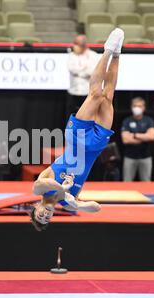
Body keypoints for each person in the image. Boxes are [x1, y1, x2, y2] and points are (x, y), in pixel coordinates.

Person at [30, 28, 124, 231]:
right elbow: (95, 208)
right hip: (95, 146)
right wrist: (76, 203)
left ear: (36, 208)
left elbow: (45, 185)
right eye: (47, 219)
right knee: (108, 96)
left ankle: (106, 51)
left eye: (40, 216)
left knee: (95, 95)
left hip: (76, 138)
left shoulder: (39, 189)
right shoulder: (66, 202)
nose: (45, 215)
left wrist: (63, 191)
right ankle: (116, 53)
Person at [121, 97, 154, 182]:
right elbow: (125, 139)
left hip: (145, 157)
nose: (137, 108)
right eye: (135, 106)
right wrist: (144, 137)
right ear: (131, 107)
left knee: (146, 182)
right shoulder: (127, 121)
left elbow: (151, 137)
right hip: (130, 157)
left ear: (144, 107)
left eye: (139, 106)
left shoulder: (149, 120)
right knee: (127, 182)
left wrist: (134, 135)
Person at [66, 34, 99, 120]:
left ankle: (83, 133)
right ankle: (71, 133)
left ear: (83, 45)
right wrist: (83, 71)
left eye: (76, 44)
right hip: (73, 91)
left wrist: (80, 72)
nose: (74, 46)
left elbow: (92, 71)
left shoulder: (93, 55)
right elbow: (71, 68)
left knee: (86, 117)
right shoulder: (72, 55)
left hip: (87, 93)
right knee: (72, 117)